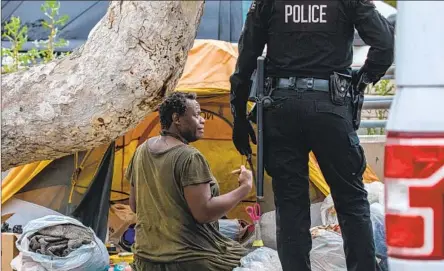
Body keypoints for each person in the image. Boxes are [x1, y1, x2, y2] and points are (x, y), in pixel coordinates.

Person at [230, 1, 394, 271]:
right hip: (331, 108)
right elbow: (385, 45)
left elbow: (246, 58)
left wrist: (238, 115)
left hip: (280, 109)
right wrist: (362, 79)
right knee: (351, 202)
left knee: (290, 206)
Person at [127, 92, 252, 271]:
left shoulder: (141, 150)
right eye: (196, 115)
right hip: (189, 259)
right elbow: (204, 213)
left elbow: (134, 206)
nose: (203, 120)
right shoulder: (189, 157)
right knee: (256, 256)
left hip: (146, 260)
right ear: (176, 118)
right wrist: (244, 188)